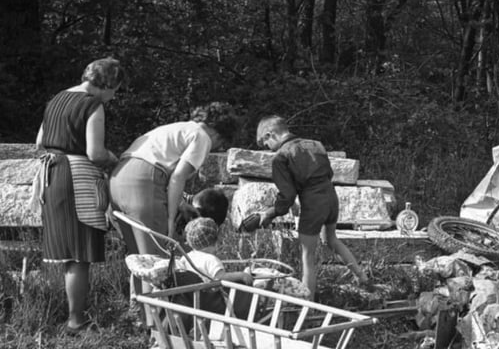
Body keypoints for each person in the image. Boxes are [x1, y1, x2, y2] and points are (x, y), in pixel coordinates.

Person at [34, 57, 121, 333]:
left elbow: (39, 142)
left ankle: (73, 316)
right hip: (76, 178)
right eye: (115, 89)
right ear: (106, 84)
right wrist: (114, 158)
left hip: (52, 176)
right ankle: (76, 320)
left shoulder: (57, 99)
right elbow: (95, 153)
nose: (114, 96)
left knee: (69, 253)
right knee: (79, 255)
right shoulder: (92, 104)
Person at [254, 115, 367, 297]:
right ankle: (364, 279)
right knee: (332, 240)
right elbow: (328, 173)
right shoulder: (316, 145)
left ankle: (308, 305)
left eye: (265, 144)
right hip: (331, 197)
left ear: (271, 134)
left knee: (308, 257)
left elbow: (287, 195)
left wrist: (271, 213)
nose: (268, 149)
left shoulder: (281, 157)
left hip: (313, 204)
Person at [109, 102, 239, 255]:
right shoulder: (202, 136)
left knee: (140, 262)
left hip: (117, 180)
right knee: (158, 261)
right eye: (219, 144)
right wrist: (170, 221)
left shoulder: (178, 128)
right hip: (143, 183)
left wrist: (181, 204)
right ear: (218, 135)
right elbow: (177, 177)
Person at [178, 217, 253, 285]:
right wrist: (242, 275)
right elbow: (220, 277)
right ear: (215, 240)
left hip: (189, 297)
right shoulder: (211, 260)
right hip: (210, 297)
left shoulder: (186, 257)